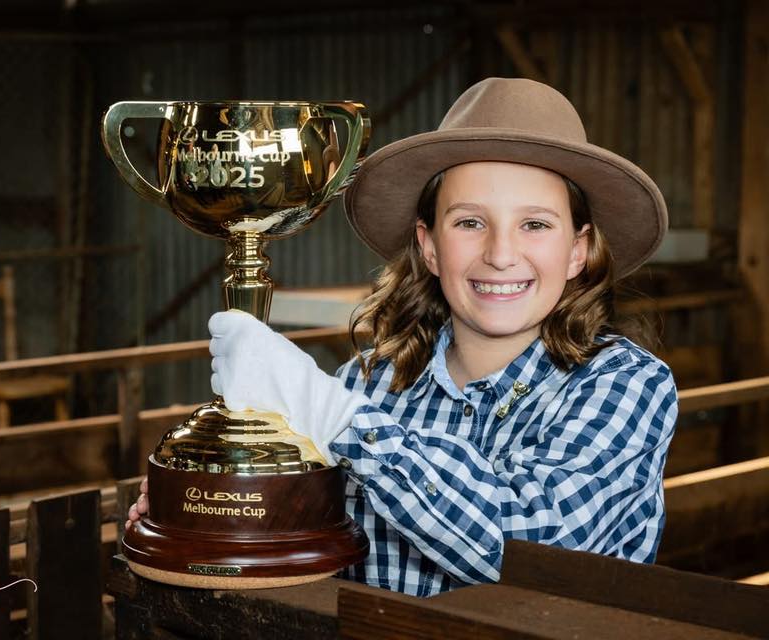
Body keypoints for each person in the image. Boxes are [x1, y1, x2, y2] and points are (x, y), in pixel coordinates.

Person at [126, 77, 678, 597]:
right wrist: (208, 505)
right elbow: (297, 535)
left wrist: (335, 416)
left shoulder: (625, 384)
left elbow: (538, 551)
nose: (501, 254)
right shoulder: (366, 383)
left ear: (578, 250)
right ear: (429, 246)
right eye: (469, 222)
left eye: (535, 224)